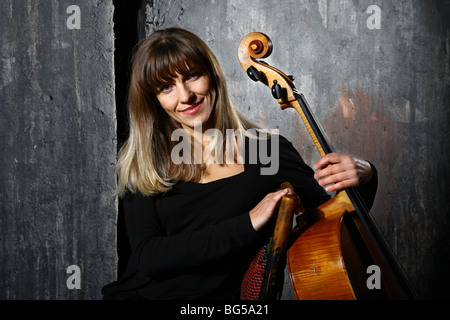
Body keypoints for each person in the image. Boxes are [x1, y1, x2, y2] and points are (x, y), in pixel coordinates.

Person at [101, 27, 377, 300]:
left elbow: (330, 225)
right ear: (154, 100)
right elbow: (150, 257)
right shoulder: (146, 160)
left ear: (213, 75)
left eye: (192, 76)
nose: (185, 96)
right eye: (166, 87)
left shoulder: (265, 151)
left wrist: (365, 175)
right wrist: (247, 223)